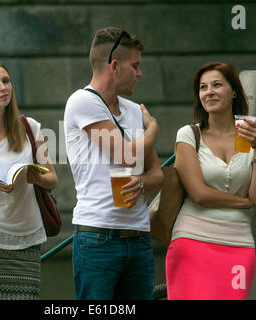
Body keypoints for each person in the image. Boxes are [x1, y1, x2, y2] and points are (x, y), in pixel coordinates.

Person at [64, 26, 163, 300]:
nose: (140, 73)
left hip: (139, 238)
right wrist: (153, 129)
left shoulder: (133, 110)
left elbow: (158, 175)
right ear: (115, 66)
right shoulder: (82, 101)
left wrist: (141, 183)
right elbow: (126, 156)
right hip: (98, 240)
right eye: (136, 66)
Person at [165, 62, 256, 300]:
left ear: (234, 91)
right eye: (203, 87)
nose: (208, 92)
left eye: (216, 85)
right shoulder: (189, 135)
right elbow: (199, 194)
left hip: (239, 242)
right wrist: (246, 202)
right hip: (191, 240)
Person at [0, 59, 58, 300]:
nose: (3, 87)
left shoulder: (30, 127)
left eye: (6, 81)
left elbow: (53, 179)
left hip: (28, 238)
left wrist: (36, 177)